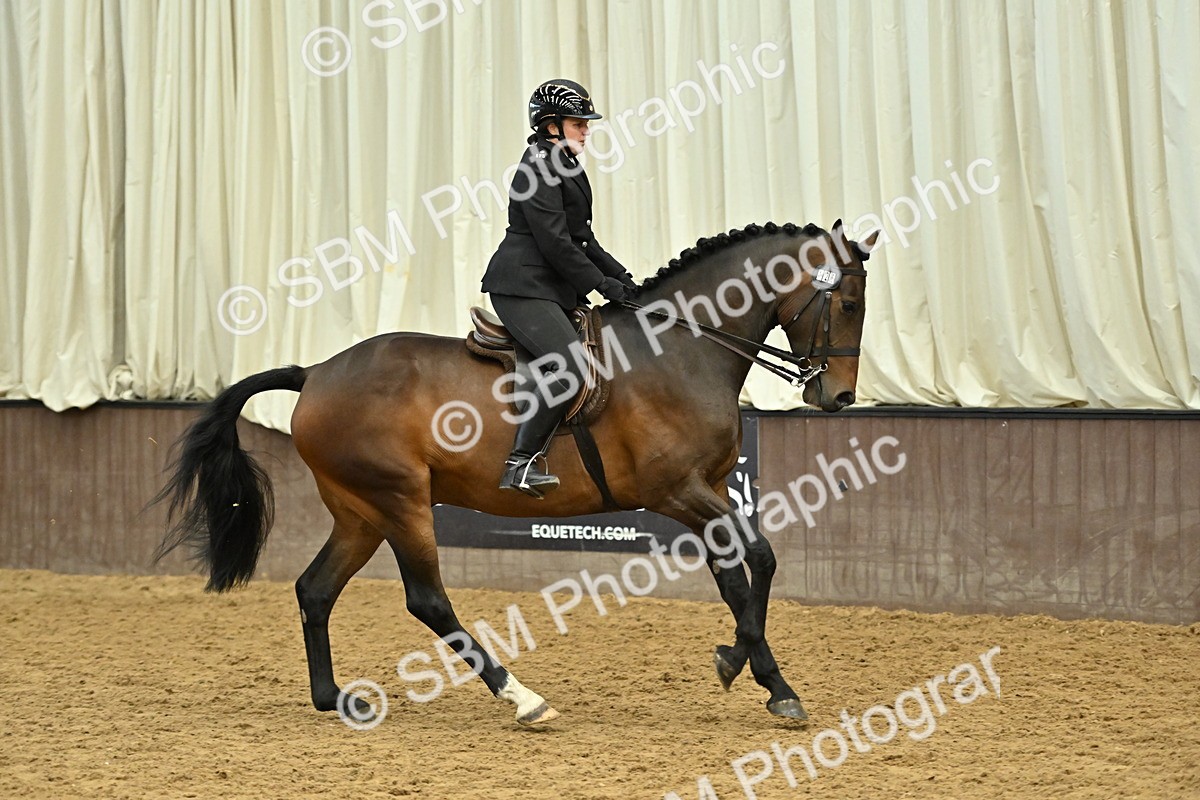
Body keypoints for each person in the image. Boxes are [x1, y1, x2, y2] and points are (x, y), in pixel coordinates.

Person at [481, 79, 637, 498]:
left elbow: (583, 239)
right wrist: (599, 284)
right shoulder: (536, 168)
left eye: (586, 123)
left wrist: (624, 280)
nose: (586, 130)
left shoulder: (564, 163)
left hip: (549, 285)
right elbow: (555, 243)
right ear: (551, 126)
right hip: (522, 286)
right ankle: (519, 465)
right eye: (577, 123)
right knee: (570, 366)